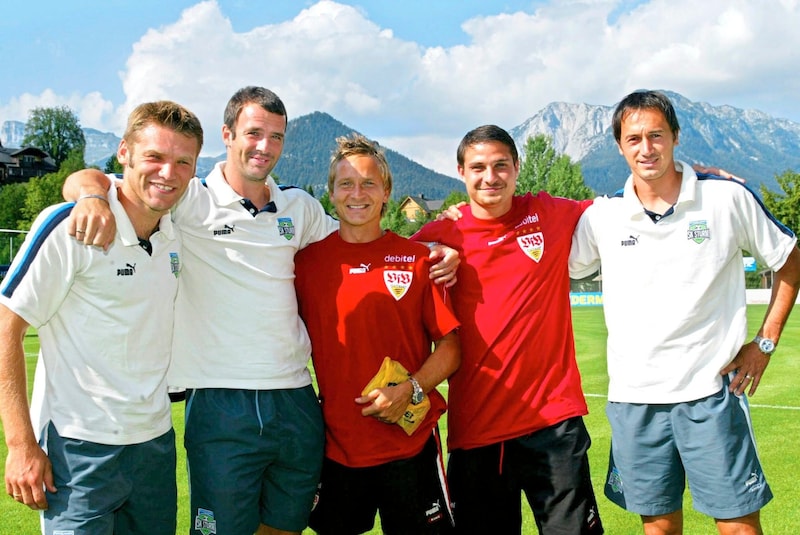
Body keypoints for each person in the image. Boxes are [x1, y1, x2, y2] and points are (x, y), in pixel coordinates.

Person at [63, 86, 458, 535]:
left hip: (295, 398)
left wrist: (436, 248)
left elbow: (361, 236)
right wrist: (91, 196)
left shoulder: (301, 208)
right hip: (219, 398)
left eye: (276, 137)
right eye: (254, 133)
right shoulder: (188, 197)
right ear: (228, 134)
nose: (264, 146)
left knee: (284, 525)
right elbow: (102, 181)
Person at [569, 89, 800, 535]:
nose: (646, 148)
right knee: (658, 526)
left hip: (713, 392)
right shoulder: (602, 215)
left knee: (738, 526)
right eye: (633, 139)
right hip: (636, 398)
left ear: (675, 137)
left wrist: (765, 342)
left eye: (656, 135)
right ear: (619, 146)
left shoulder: (726, 198)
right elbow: (548, 260)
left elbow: (790, 260)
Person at [0, 100, 203, 533]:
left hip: (154, 444)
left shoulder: (176, 230)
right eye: (155, 157)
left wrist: (89, 188)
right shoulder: (69, 226)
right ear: (123, 153)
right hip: (78, 448)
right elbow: (6, 328)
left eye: (183, 162)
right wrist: (19, 444)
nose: (169, 173)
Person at [413, 125, 604, 534]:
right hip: (479, 431)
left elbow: (630, 205)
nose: (490, 177)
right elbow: (380, 259)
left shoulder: (552, 212)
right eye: (478, 167)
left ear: (517, 168)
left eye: (501, 165)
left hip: (554, 424)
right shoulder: (438, 236)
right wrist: (431, 250)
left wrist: (709, 182)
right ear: (461, 172)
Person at [294, 133, 461, 534]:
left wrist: (411, 389)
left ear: (386, 192)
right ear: (331, 193)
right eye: (346, 184)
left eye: (369, 183)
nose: (357, 194)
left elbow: (451, 348)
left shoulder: (419, 259)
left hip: (410, 443)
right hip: (336, 448)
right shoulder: (305, 263)